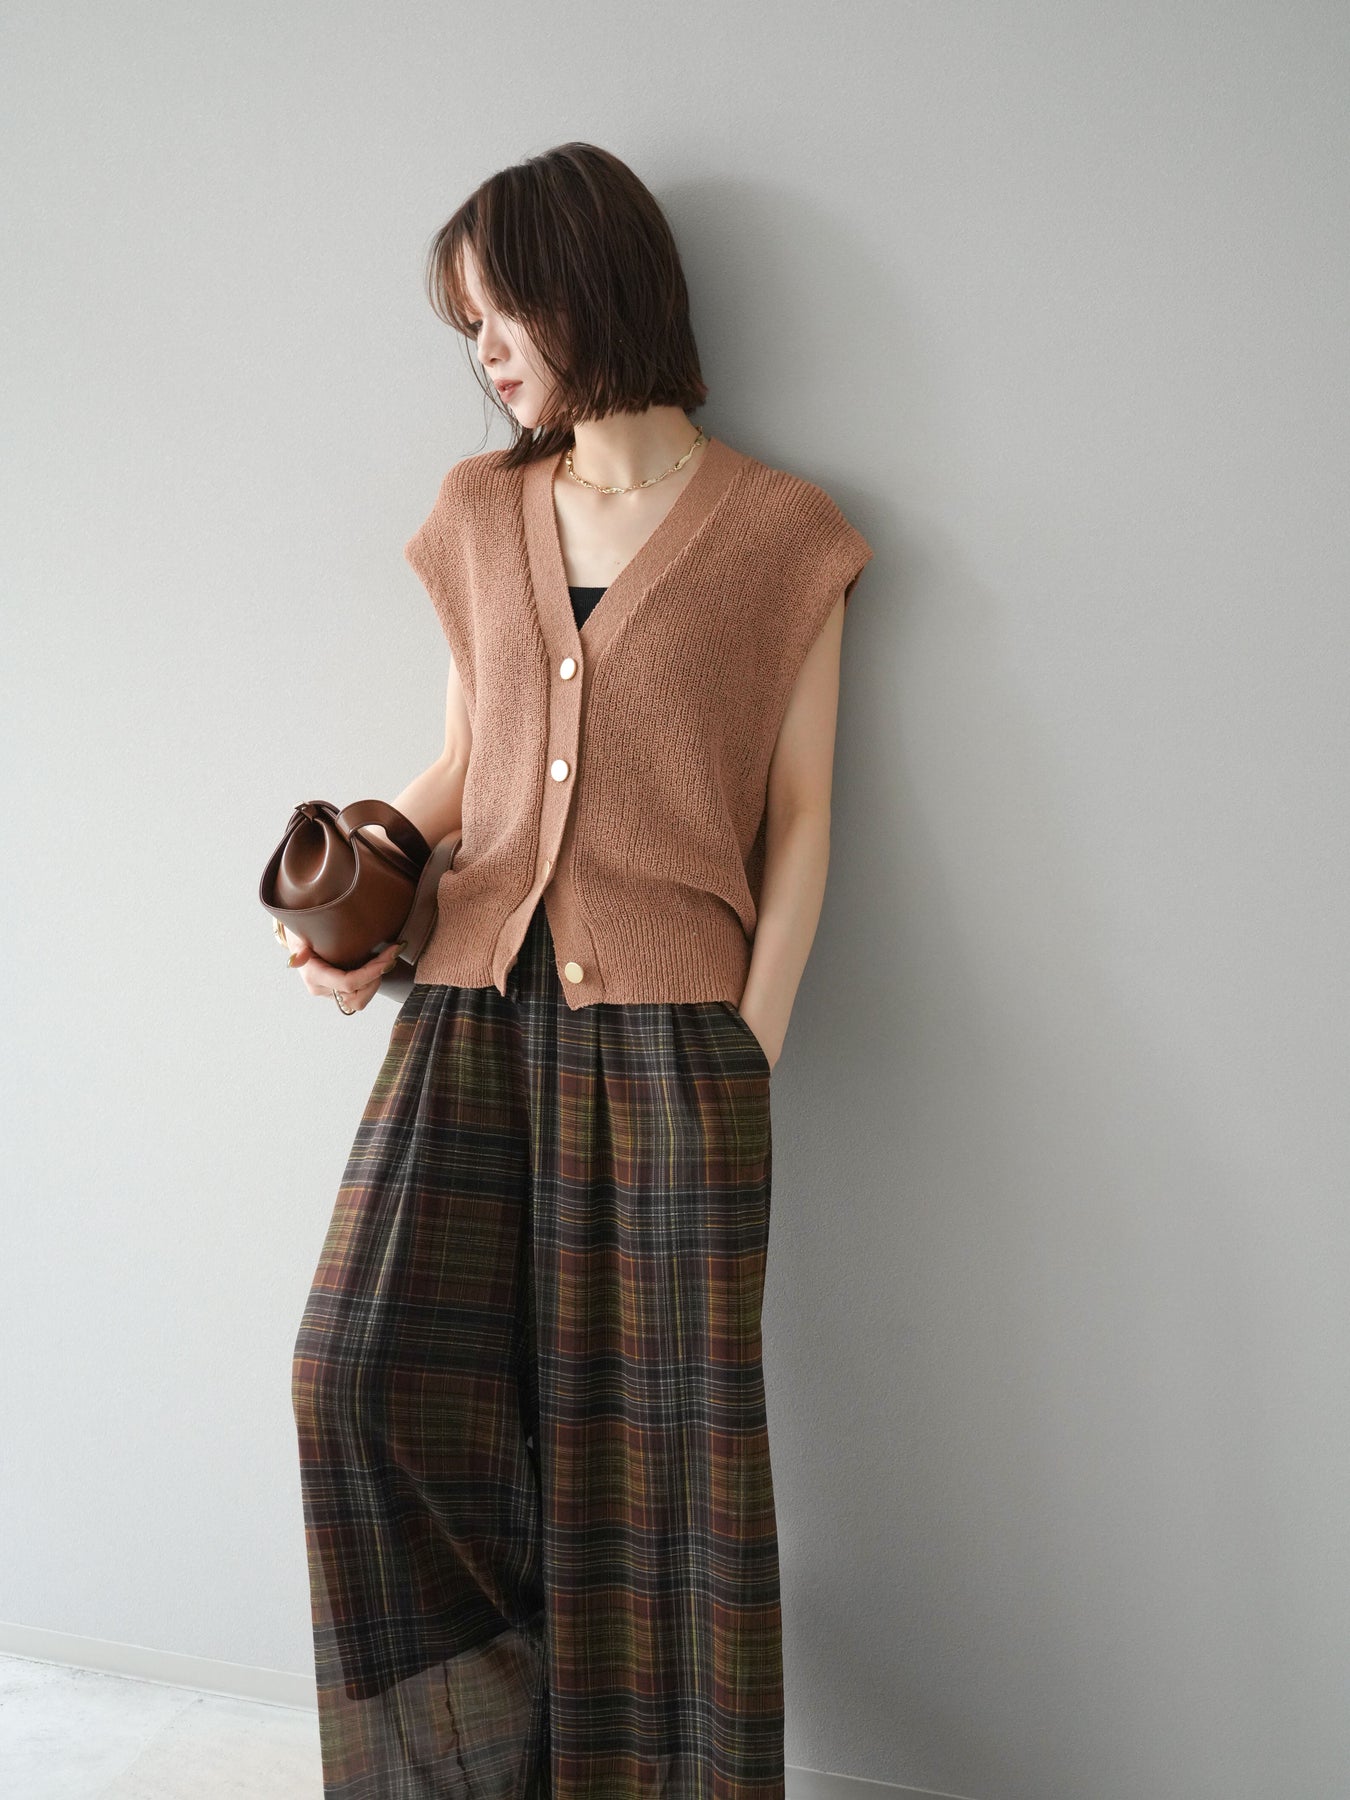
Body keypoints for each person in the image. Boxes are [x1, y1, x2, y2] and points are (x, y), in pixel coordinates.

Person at [284, 141, 874, 1800]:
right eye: (465, 322)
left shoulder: (784, 535)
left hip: (679, 1044)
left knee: (656, 1476)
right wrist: (353, 898)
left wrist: (747, 1046)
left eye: (501, 308)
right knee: (354, 1377)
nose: (483, 349)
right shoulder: (479, 514)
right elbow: (465, 763)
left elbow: (805, 820)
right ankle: (471, 1768)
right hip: (466, 1014)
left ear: (593, 285)